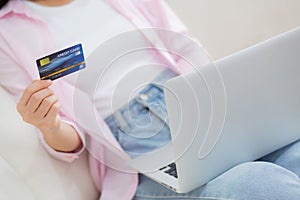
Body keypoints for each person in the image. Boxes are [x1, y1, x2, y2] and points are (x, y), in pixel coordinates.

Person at [0, 0, 300, 199]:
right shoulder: (7, 31)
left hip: (197, 106)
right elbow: (71, 139)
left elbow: (187, 50)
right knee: (253, 183)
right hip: (135, 151)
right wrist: (49, 124)